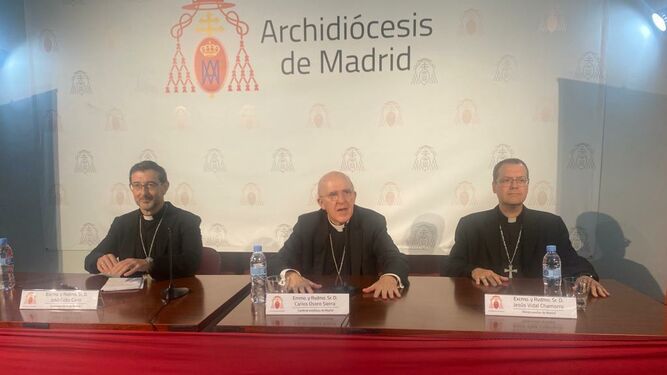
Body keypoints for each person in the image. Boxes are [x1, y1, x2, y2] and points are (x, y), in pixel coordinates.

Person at [443, 158, 609, 297]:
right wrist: (474, 270)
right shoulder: (471, 225)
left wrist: (584, 276)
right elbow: (451, 266)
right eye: (507, 180)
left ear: (528, 185)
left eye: (521, 180)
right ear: (494, 186)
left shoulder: (550, 224)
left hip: (535, 304)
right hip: (485, 304)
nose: (514, 186)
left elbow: (571, 260)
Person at [270, 171, 409, 299]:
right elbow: (279, 259)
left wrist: (390, 278)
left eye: (347, 192)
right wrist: (291, 275)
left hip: (361, 304)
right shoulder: (307, 224)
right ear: (321, 203)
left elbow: (395, 257)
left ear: (354, 196)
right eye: (333, 195)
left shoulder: (371, 222)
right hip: (317, 303)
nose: (342, 200)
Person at [84, 161, 202, 280]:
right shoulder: (122, 223)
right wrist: (99, 260)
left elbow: (192, 261)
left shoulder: (187, 220)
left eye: (150, 185)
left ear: (165, 187)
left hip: (171, 293)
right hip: (130, 295)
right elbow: (90, 259)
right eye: (137, 185)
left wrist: (150, 264)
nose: (143, 193)